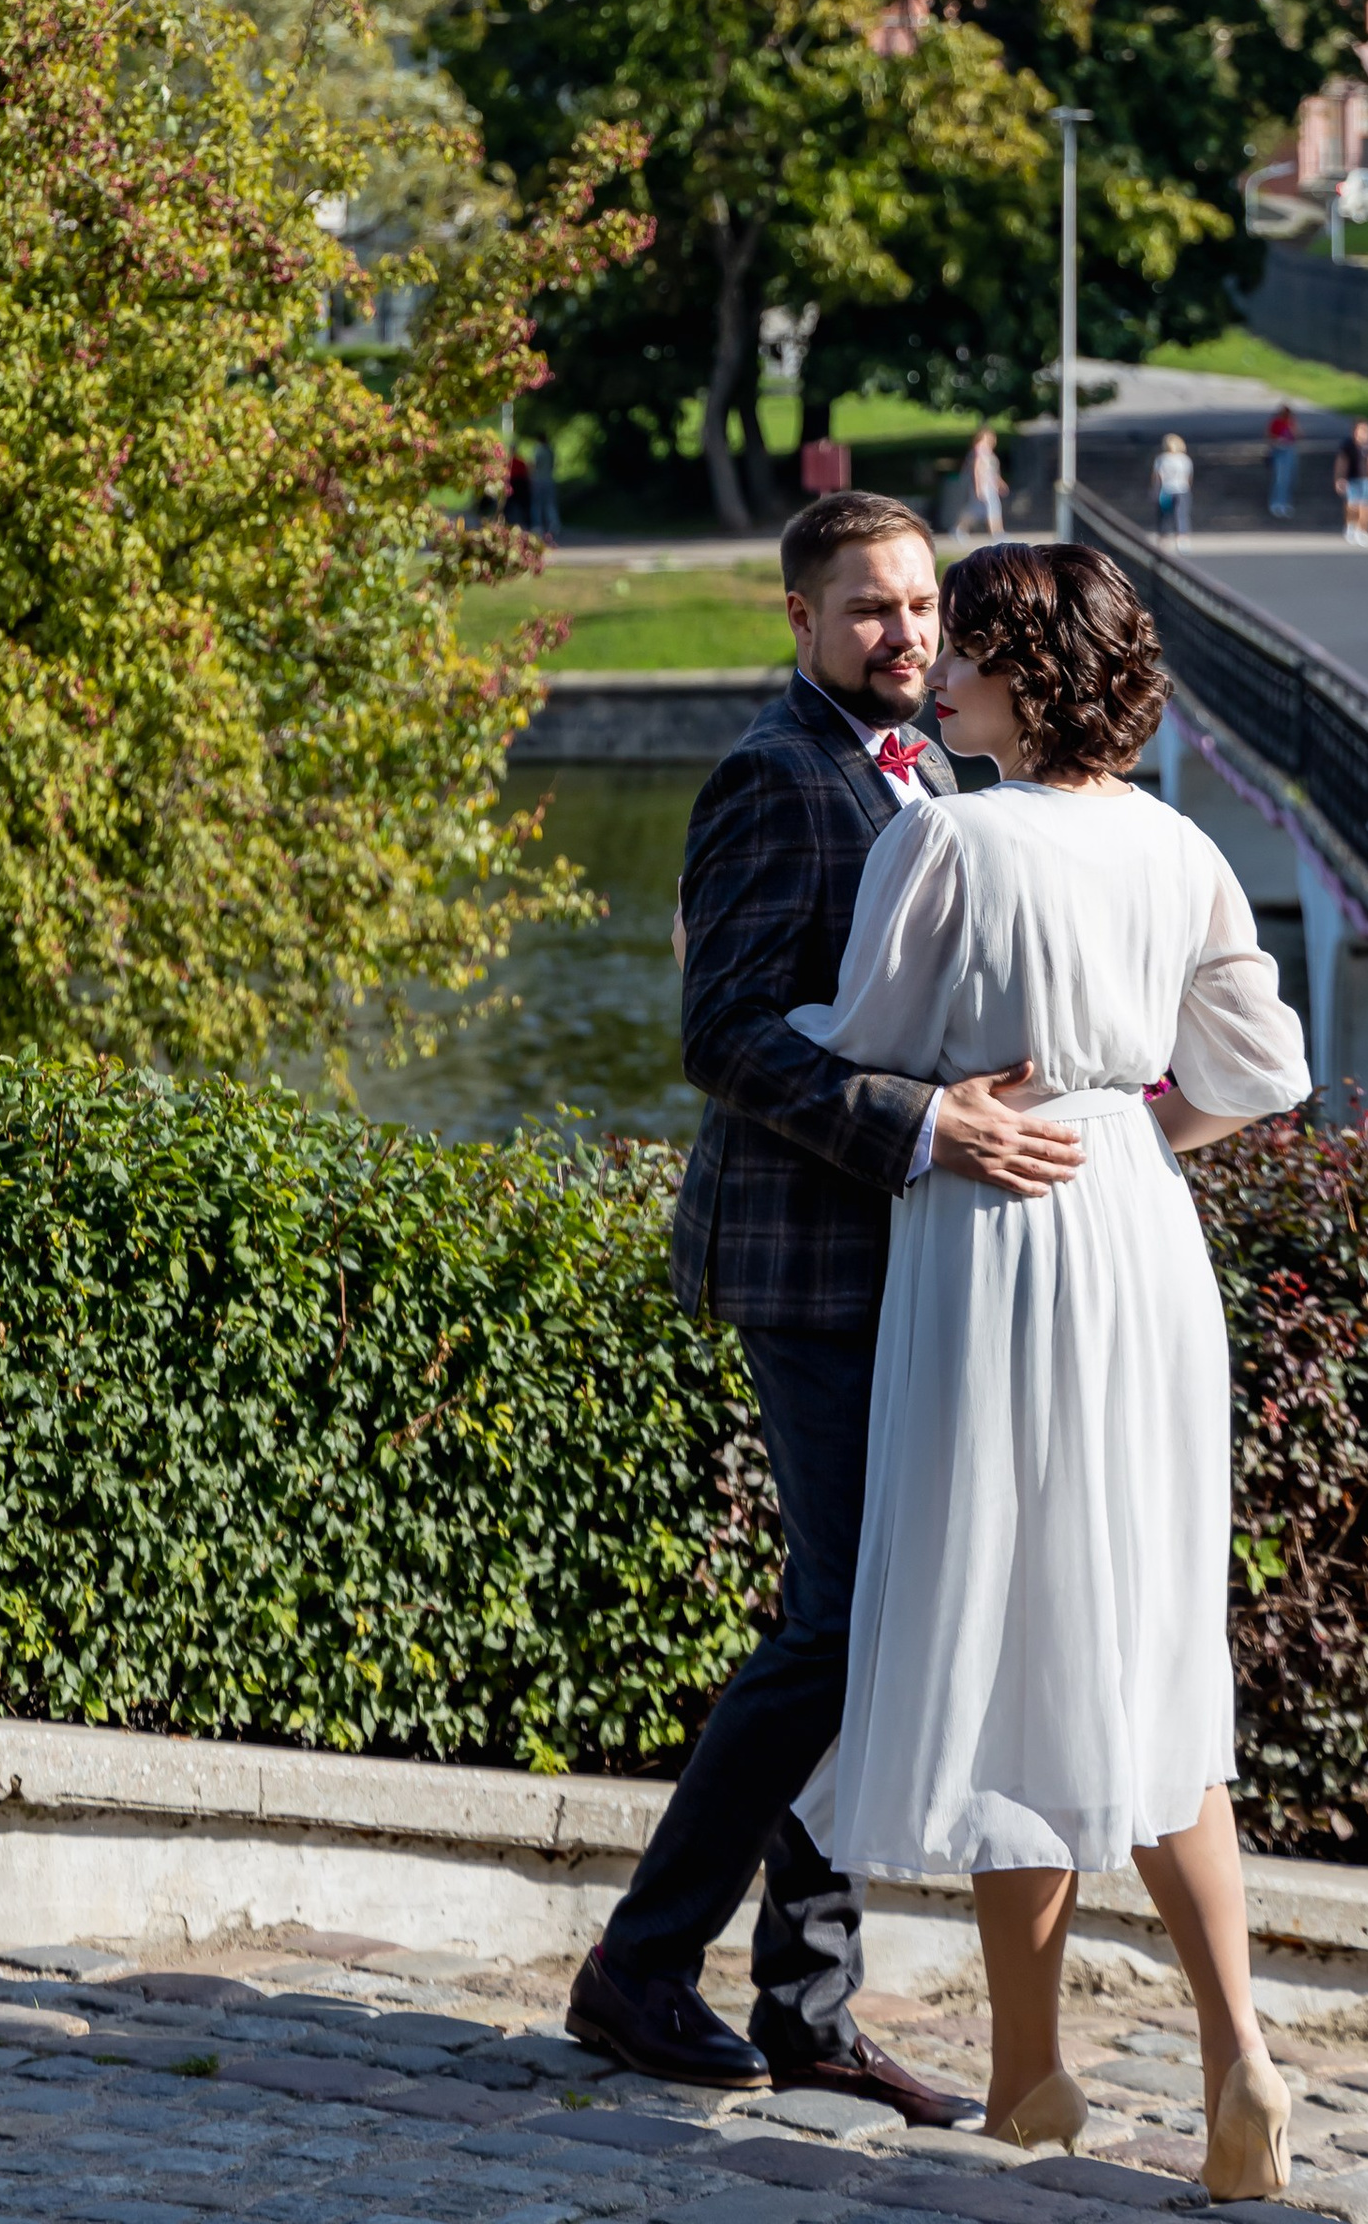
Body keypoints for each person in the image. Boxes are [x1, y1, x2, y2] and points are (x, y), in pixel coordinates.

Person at [785, 541, 1312, 2181]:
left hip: (995, 1228)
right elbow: (1266, 1070)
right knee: (1145, 1654)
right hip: (1142, 1239)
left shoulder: (944, 835)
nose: (937, 666)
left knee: (1012, 1646)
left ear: (1028, 671)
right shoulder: (1179, 847)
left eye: (971, 646)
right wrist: (1143, 1130)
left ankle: (1037, 2072)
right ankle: (1229, 2054)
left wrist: (771, 1026)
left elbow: (864, 1041)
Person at [566, 492, 1081, 2122]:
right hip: (806, 1261)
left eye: (924, 607)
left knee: (872, 1636)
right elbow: (721, 1034)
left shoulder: (925, 775)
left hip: (915, 1261)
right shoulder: (772, 775)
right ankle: (640, 1970)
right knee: (842, 1627)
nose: (908, 636)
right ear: (800, 620)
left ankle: (806, 2007)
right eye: (870, 610)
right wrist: (928, 1120)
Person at [1333, 419, 1368, 547]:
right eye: (1357, 430)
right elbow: (1342, 462)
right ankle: (1351, 525)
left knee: (1366, 507)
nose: (1360, 433)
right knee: (1352, 505)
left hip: (1366, 480)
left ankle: (1363, 530)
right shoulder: (1348, 445)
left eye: (1363, 430)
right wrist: (1339, 478)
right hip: (1351, 479)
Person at [967, 423, 1008, 541]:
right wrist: (978, 486)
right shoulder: (980, 449)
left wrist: (1000, 482)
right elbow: (977, 468)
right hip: (984, 484)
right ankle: (996, 533)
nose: (993, 439)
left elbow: (992, 470)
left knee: (988, 508)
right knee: (990, 508)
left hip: (991, 485)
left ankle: (997, 532)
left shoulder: (988, 450)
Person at [1151, 431, 1193, 543]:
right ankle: (1182, 539)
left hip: (1165, 490)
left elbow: (1157, 477)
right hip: (1182, 489)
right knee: (1181, 515)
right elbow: (1188, 477)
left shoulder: (1161, 459)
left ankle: (1162, 540)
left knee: (1163, 517)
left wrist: (1155, 490)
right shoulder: (1184, 459)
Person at [1266, 401, 1299, 523]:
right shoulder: (1276, 422)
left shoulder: (1291, 423)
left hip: (1289, 450)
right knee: (1279, 478)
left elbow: (1298, 435)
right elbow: (1269, 436)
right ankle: (1276, 502)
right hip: (1279, 450)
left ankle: (1285, 502)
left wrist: (1292, 427)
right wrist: (1277, 441)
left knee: (1289, 477)